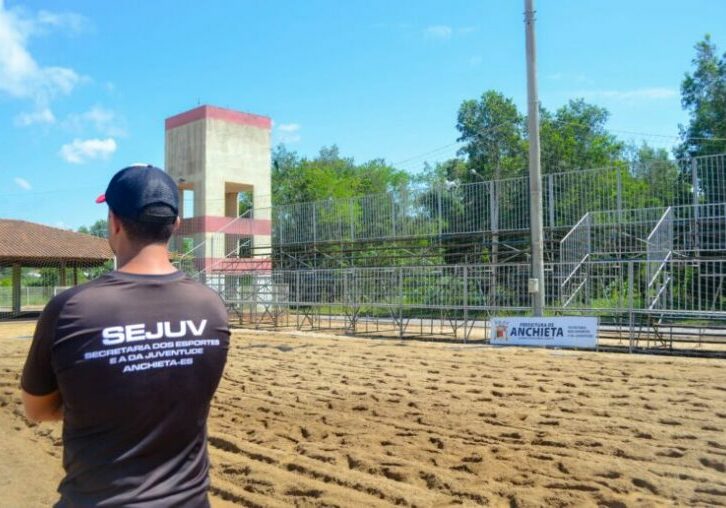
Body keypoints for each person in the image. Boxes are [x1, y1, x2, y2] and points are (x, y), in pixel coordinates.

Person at [20, 164, 230, 507]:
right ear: (174, 224)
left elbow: (37, 409)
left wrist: (95, 402)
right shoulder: (211, 307)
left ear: (114, 221)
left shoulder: (70, 309)